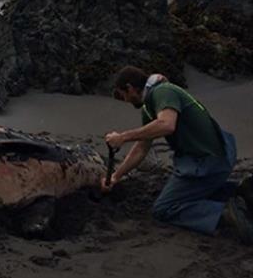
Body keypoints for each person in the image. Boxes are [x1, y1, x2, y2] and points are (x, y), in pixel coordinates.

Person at [103, 65, 253, 244]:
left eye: (123, 95)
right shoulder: (153, 103)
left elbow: (167, 125)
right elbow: (141, 148)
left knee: (164, 208)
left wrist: (122, 137)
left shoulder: (163, 92)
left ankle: (224, 213)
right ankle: (237, 191)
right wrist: (115, 176)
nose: (125, 100)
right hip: (217, 156)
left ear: (129, 87)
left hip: (206, 163)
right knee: (190, 193)